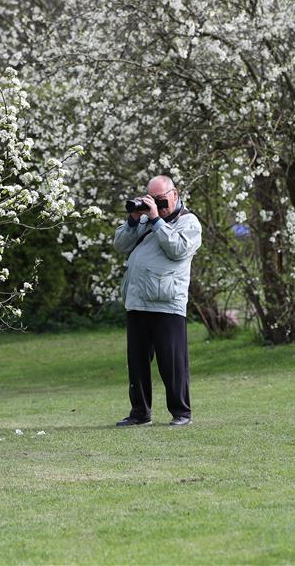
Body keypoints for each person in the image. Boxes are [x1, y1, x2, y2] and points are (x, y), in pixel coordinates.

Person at [112, 175, 202, 426]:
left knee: (172, 363)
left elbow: (178, 250)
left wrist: (156, 220)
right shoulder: (143, 221)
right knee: (137, 363)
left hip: (167, 302)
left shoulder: (188, 222)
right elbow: (120, 245)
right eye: (154, 200)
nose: (159, 206)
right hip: (138, 300)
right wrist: (132, 220)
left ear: (175, 194)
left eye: (162, 200)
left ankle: (181, 413)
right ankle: (140, 413)